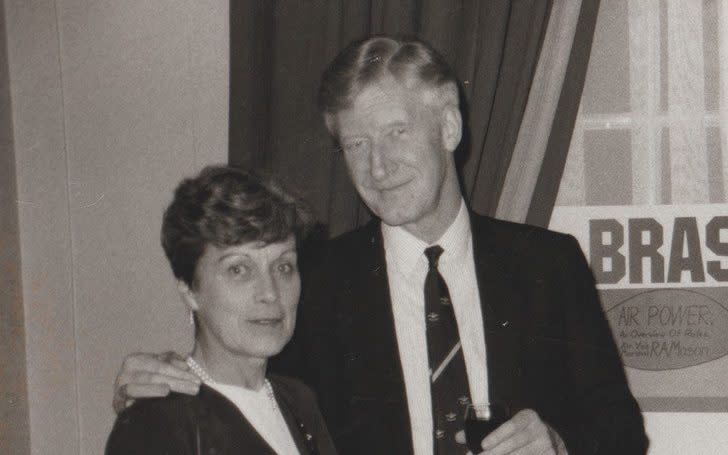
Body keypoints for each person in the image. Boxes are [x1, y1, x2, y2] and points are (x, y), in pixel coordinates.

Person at [112, 37, 648, 455]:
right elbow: (243, 396)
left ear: (450, 125)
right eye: (356, 144)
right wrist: (158, 382)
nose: (378, 167)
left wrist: (558, 444)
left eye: (395, 133)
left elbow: (623, 435)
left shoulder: (548, 265)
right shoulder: (309, 282)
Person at [105, 166, 337, 455]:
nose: (270, 292)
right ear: (190, 290)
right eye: (239, 269)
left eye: (283, 266)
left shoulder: (299, 402)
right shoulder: (159, 423)